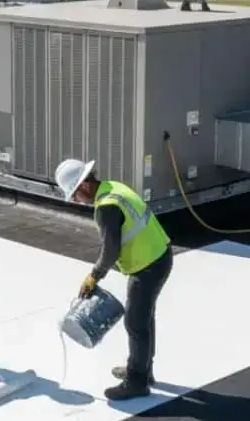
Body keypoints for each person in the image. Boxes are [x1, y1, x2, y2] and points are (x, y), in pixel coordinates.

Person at [55, 158, 173, 401]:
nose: (77, 201)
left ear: (85, 185)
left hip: (148, 265)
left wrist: (93, 276)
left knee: (135, 323)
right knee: (143, 318)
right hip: (158, 255)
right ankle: (141, 370)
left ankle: (137, 382)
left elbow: (111, 251)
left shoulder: (107, 206)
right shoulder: (113, 188)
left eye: (75, 195)